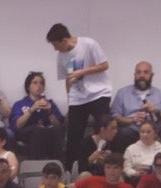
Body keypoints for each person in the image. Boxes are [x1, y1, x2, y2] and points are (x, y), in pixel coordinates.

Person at [46, 24, 112, 172]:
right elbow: (67, 79)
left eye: (56, 45)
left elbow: (104, 65)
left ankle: (102, 165)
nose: (55, 49)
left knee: (102, 128)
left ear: (64, 40)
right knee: (73, 135)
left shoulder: (88, 44)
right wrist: (70, 100)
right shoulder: (61, 57)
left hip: (98, 93)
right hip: (78, 97)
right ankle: (71, 169)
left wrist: (82, 72)